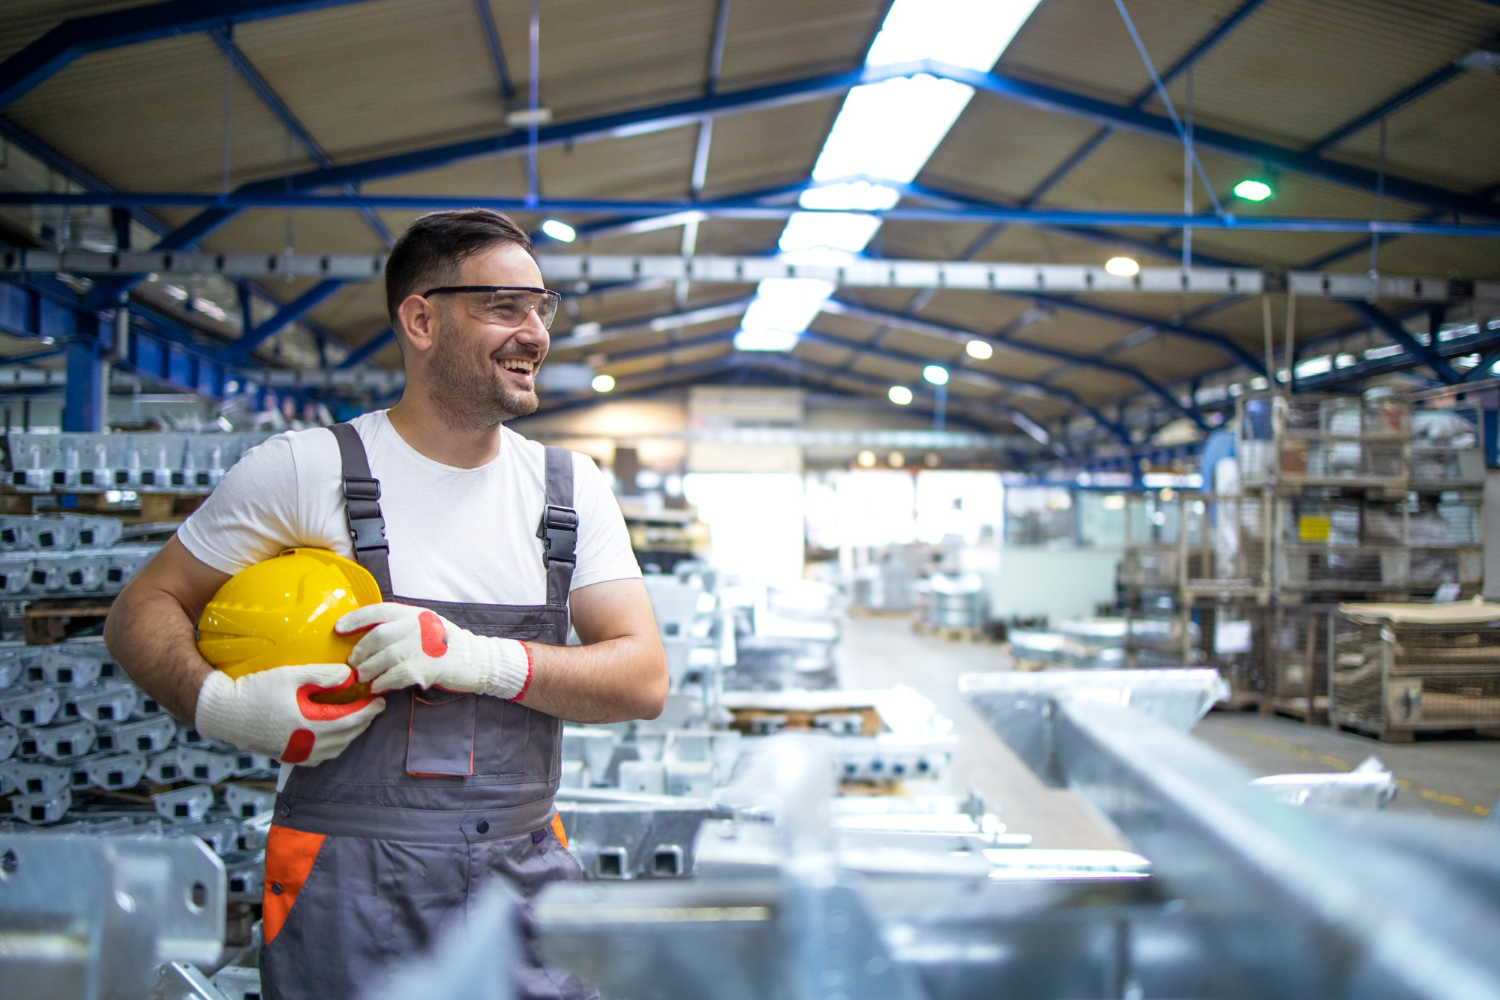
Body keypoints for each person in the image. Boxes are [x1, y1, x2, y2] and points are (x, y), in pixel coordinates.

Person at [104, 209, 669, 1000]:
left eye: (542, 308)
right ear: (421, 319)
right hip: (343, 883)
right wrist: (219, 705)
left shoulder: (567, 492)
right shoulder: (307, 470)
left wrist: (478, 660)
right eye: (504, 307)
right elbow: (142, 609)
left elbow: (642, 677)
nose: (536, 333)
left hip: (522, 872)